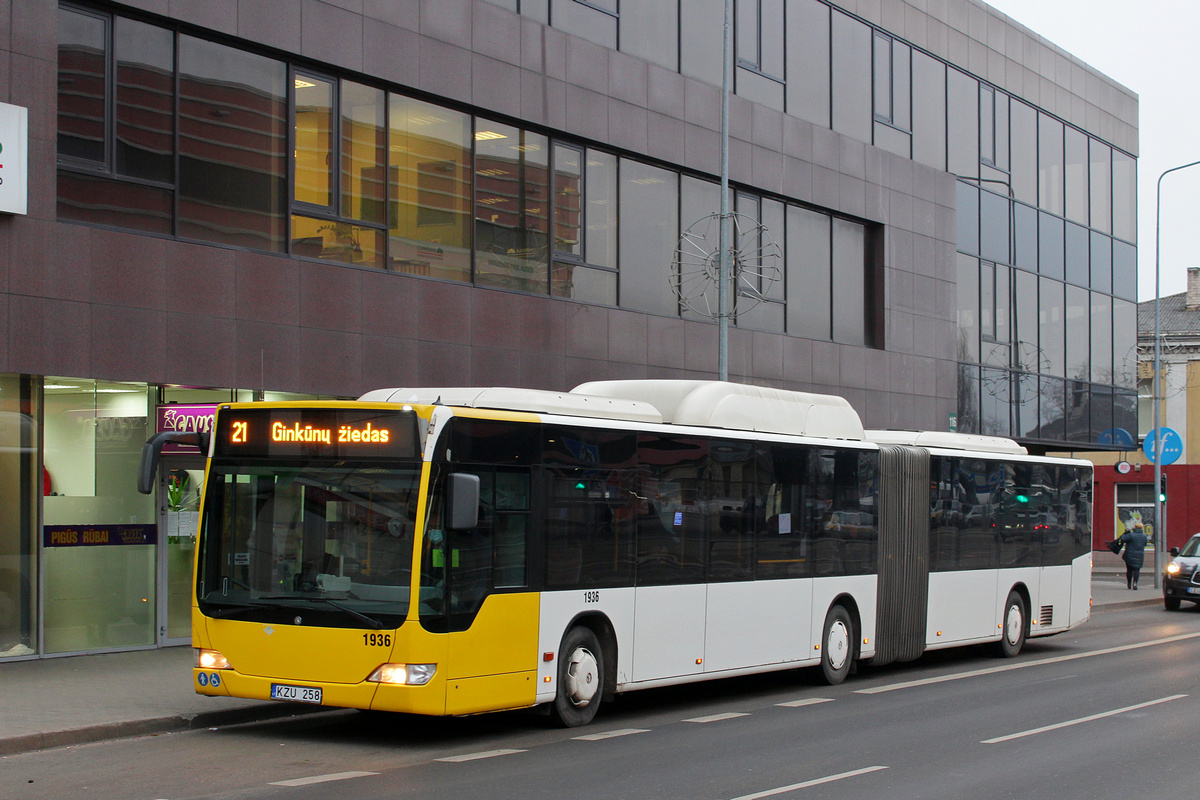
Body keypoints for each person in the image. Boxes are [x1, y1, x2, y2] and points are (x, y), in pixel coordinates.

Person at [1117, 521, 1149, 590]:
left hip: (1129, 554)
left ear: (1135, 527)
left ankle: (1129, 583)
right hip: (1139, 555)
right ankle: (1135, 584)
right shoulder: (1144, 536)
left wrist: (1126, 532)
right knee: (1137, 570)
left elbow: (1123, 539)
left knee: (1129, 570)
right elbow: (1145, 544)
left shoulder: (1131, 535)